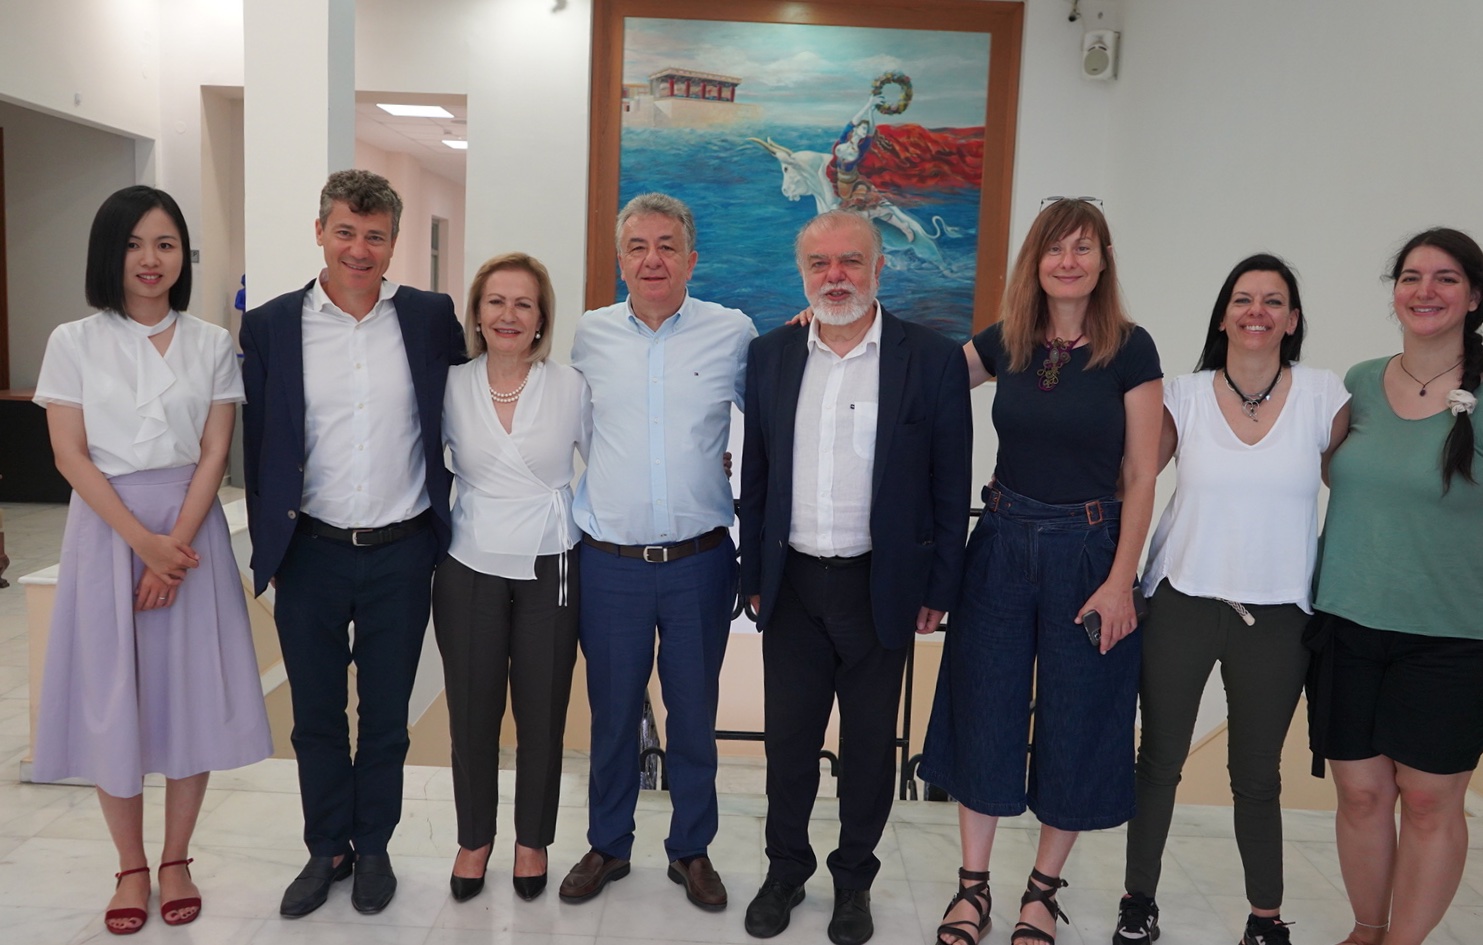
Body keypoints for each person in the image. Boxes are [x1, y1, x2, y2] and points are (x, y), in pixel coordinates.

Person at [918, 197, 1163, 945]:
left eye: (1083, 247)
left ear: (1103, 260)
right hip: (999, 542)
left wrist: (1120, 580)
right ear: (1035, 260)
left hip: (1089, 552)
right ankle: (973, 889)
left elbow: (1142, 472)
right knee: (982, 707)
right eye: (1055, 248)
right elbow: (922, 377)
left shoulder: (1130, 348)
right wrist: (837, 328)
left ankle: (1041, 894)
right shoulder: (1009, 340)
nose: (1067, 261)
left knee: (1078, 715)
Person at [31, 185, 272, 935]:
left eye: (165, 244)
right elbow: (70, 455)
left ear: (181, 257)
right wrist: (143, 544)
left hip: (190, 534)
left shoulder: (211, 342)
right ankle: (130, 866)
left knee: (187, 695)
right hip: (109, 533)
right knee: (114, 696)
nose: (150, 258)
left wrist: (174, 550)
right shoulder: (73, 340)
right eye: (134, 243)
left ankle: (176, 860)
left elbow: (215, 451)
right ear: (110, 252)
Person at [738, 209, 971, 945]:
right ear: (802, 272)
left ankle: (852, 881)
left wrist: (940, 587)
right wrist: (752, 572)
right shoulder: (770, 354)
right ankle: (784, 871)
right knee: (788, 746)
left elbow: (950, 481)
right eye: (819, 263)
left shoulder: (930, 359)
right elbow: (756, 473)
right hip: (793, 585)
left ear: (879, 267)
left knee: (870, 749)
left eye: (850, 261)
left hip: (882, 587)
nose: (834, 276)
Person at [241, 169, 464, 918]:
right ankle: (326, 846)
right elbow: (260, 445)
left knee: (387, 717)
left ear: (394, 242)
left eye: (374, 236)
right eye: (345, 232)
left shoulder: (430, 318)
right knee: (315, 716)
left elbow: (465, 409)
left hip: (403, 549)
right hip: (310, 551)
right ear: (320, 232)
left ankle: (373, 848)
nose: (359, 249)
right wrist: (271, 546)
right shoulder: (271, 325)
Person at [1113, 255, 1350, 945]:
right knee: (1158, 760)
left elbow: (1362, 490)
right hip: (1182, 600)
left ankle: (1264, 916)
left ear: (1293, 319)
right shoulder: (1182, 395)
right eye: (1243, 299)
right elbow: (1131, 480)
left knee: (1255, 774)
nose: (1257, 312)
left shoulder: (1324, 395)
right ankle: (1137, 900)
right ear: (1222, 316)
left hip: (1279, 614)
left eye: (1273, 301)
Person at [558, 192, 757, 910]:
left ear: (691, 259)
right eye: (638, 247)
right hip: (609, 563)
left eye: (667, 246)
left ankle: (691, 850)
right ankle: (608, 844)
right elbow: (568, 427)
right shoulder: (589, 335)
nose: (652, 260)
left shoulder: (731, 332)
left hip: (700, 563)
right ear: (620, 260)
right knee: (612, 713)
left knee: (693, 715)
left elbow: (772, 422)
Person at [1305, 228, 1483, 945]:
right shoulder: (1357, 381)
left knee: (1431, 801)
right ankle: (1366, 929)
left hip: (1452, 634)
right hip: (1346, 620)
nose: (1424, 291)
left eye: (1445, 278)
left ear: (1474, 297)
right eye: (1411, 277)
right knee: (1359, 793)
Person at [432, 252, 590, 903]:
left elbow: (608, 462)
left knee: (541, 713)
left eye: (524, 303)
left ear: (542, 318)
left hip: (552, 563)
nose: (508, 315)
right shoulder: (448, 385)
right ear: (476, 313)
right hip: (468, 561)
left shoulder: (572, 386)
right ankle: (474, 838)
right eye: (496, 301)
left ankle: (533, 840)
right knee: (471, 713)